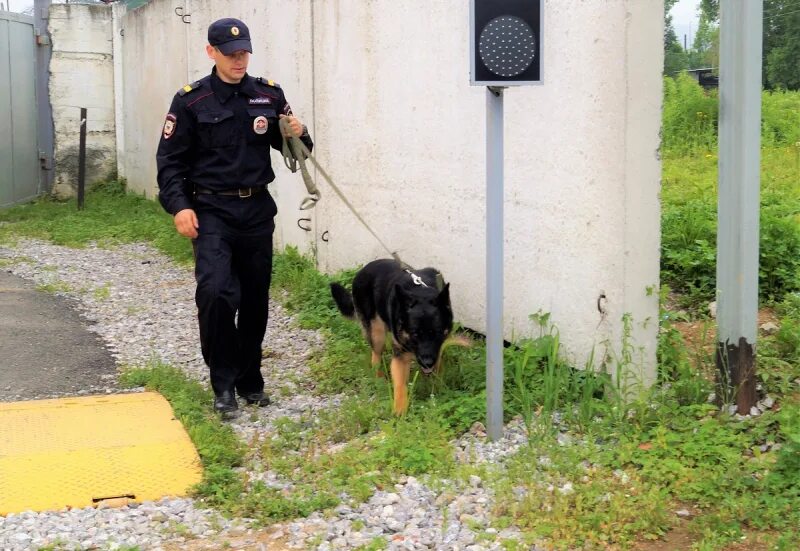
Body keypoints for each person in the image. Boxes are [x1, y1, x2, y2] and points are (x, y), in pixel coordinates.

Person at [156, 17, 313, 416]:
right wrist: (180, 206)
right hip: (210, 211)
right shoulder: (190, 101)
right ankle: (223, 384)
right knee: (217, 294)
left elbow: (297, 151)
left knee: (255, 299)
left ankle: (250, 380)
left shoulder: (268, 95)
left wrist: (300, 130)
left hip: (257, 210)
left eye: (244, 52)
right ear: (211, 52)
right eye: (230, 54)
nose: (239, 60)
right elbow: (170, 162)